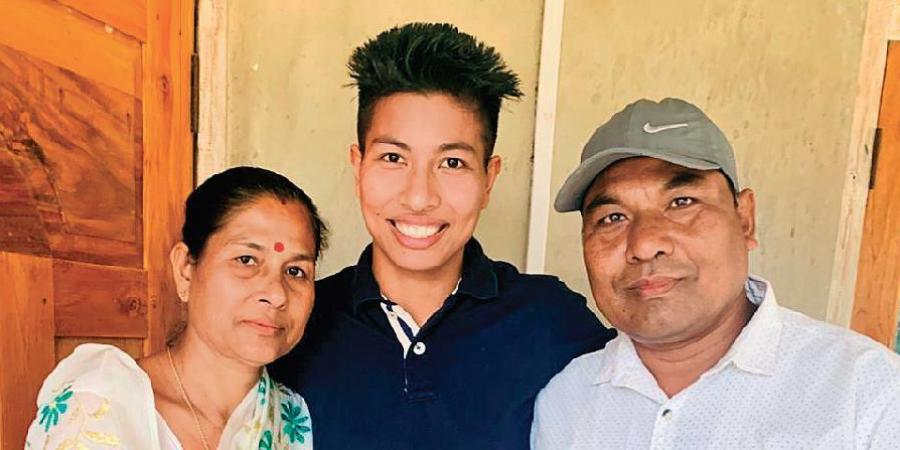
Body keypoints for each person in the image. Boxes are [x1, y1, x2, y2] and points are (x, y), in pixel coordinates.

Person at [270, 22, 614, 449]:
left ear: (489, 178)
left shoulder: (549, 322)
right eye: (393, 157)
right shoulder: (297, 324)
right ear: (358, 166)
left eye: (452, 163)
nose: (419, 197)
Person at [531, 98, 900, 448]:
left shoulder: (869, 394)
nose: (644, 244)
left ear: (745, 219)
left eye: (681, 203)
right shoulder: (566, 402)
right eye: (612, 218)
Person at [26, 167, 327, 449]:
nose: (276, 294)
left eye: (296, 271)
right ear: (185, 268)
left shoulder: (291, 417)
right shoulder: (101, 405)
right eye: (246, 260)